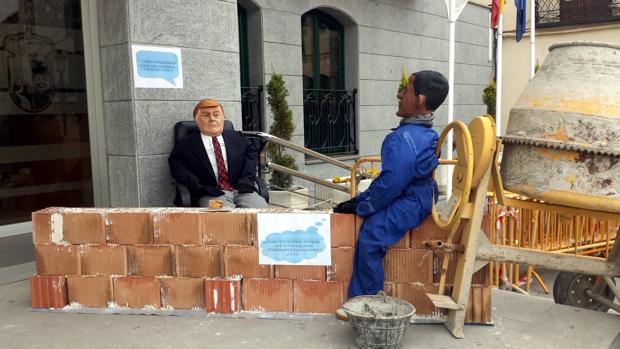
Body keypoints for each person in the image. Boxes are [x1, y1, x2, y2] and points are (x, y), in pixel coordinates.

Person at [334, 70, 448, 298]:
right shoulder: (424, 134)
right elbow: (393, 181)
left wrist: (362, 206)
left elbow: (391, 184)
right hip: (418, 195)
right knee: (373, 226)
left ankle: (367, 302)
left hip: (411, 199)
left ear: (420, 100)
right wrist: (361, 199)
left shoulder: (403, 138)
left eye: (406, 90)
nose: (399, 94)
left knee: (371, 235)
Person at [168, 98, 268, 208]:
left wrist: (246, 182)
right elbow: (178, 169)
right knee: (222, 218)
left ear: (223, 118)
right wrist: (199, 187)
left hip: (242, 190)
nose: (212, 119)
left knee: (261, 213)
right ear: (196, 119)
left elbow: (251, 159)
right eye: (206, 115)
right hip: (212, 194)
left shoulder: (238, 138)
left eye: (216, 115)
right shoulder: (185, 144)